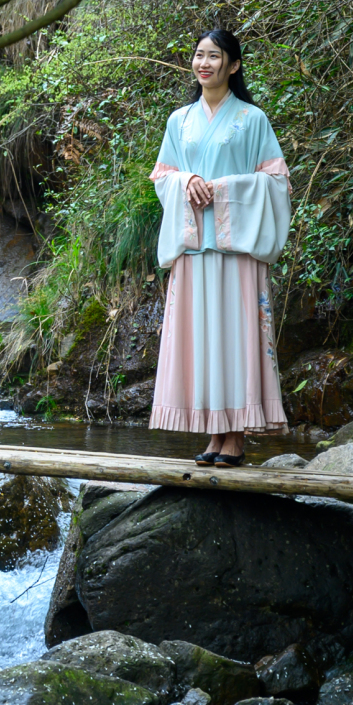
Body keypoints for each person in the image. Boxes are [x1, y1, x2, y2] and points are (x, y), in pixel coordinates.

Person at [148, 29, 290, 465]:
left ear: (234, 65)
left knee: (236, 336)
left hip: (236, 250)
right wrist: (184, 180)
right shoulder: (179, 120)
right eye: (198, 55)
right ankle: (214, 434)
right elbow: (161, 176)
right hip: (193, 247)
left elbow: (276, 181)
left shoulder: (253, 119)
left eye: (214, 56)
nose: (204, 63)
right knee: (203, 340)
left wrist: (224, 189)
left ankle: (238, 436)